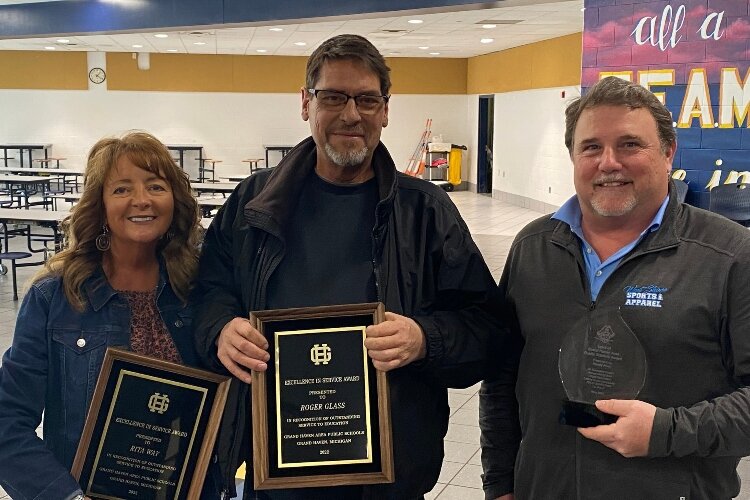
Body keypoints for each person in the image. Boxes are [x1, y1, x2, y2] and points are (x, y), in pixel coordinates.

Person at [193, 34, 504, 499]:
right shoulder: (251, 204)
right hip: (276, 472)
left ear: (384, 109)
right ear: (306, 103)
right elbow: (208, 290)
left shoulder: (425, 211)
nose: (351, 114)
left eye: (366, 99)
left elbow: (487, 328)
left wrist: (424, 339)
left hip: (389, 477)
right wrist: (220, 327)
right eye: (334, 97)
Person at [480, 75, 750, 499]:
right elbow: (501, 378)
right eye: (591, 147)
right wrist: (500, 484)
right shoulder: (534, 248)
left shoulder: (730, 256)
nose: (609, 162)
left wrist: (666, 431)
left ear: (667, 152)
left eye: (629, 144)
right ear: (573, 156)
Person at [0, 132, 220, 498]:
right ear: (99, 206)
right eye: (121, 189)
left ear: (174, 200)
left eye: (155, 186)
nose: (141, 200)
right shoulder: (55, 297)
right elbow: (6, 422)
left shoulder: (201, 292)